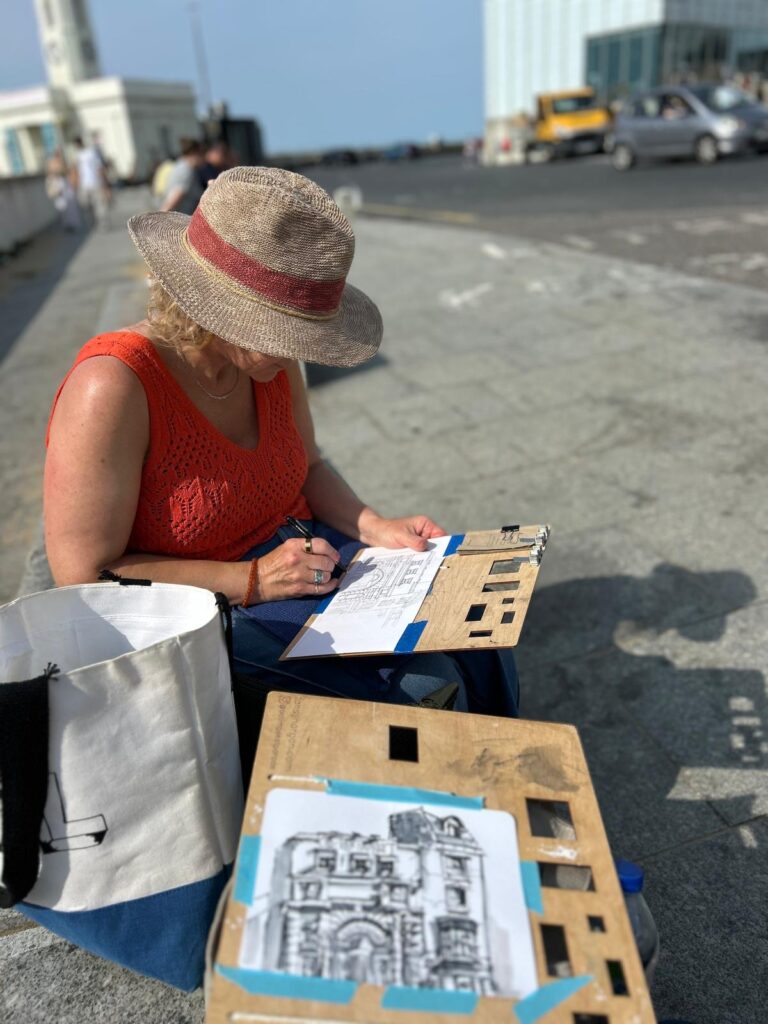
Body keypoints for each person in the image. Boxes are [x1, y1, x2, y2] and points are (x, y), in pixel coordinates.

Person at [44, 166, 519, 718]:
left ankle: (501, 787)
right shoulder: (115, 384)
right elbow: (81, 576)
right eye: (283, 331)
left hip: (303, 558)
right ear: (217, 306)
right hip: (202, 604)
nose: (300, 350)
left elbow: (309, 467)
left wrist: (374, 526)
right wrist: (250, 579)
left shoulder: (267, 362)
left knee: (476, 627)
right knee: (423, 690)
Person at [72, 135, 111, 228]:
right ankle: (92, 223)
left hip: (95, 182)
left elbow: (99, 168)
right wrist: (75, 184)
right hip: (84, 184)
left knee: (99, 204)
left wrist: (104, 184)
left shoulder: (91, 153)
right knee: (86, 205)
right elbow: (75, 171)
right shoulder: (77, 155)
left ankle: (103, 224)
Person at [160, 137, 205, 214]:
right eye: (201, 153)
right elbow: (174, 198)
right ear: (194, 153)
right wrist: (160, 219)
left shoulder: (181, 165)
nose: (204, 158)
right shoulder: (186, 171)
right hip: (180, 221)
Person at [45, 150, 81, 231]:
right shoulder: (51, 163)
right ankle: (66, 225)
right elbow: (50, 172)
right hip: (58, 188)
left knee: (70, 208)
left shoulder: (63, 163)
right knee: (62, 208)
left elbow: (66, 173)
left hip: (64, 188)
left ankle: (71, 224)